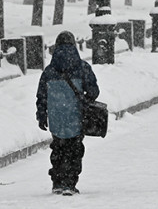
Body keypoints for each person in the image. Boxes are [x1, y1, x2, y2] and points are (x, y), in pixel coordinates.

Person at [36, 31, 100, 196]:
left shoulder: (49, 71)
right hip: (76, 116)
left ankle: (57, 181)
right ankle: (70, 183)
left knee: (58, 148)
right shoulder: (82, 67)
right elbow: (93, 91)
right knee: (74, 149)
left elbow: (41, 96)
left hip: (56, 118)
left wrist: (42, 115)